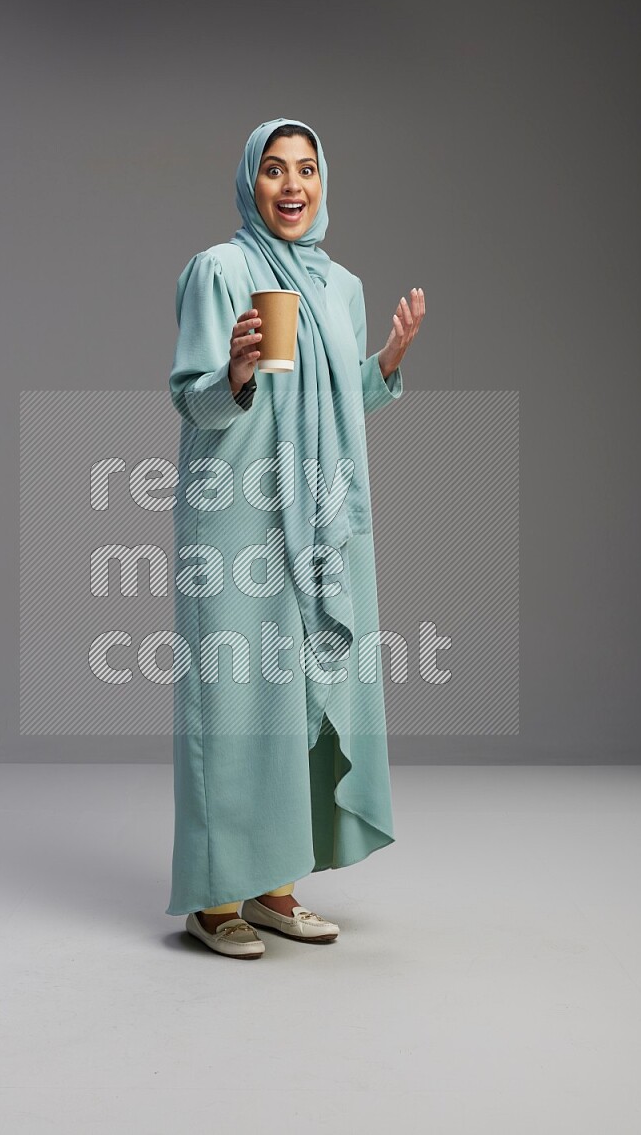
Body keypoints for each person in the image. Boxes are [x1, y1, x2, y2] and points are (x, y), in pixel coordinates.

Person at [166, 117, 425, 959]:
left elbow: (338, 400)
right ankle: (215, 898)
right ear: (251, 180)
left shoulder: (338, 285)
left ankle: (275, 887)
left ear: (322, 182)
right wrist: (234, 372)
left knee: (299, 694)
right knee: (236, 701)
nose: (291, 185)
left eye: (306, 169)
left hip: (317, 512)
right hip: (235, 508)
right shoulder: (221, 269)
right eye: (274, 169)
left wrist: (385, 361)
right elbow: (192, 398)